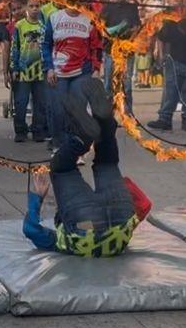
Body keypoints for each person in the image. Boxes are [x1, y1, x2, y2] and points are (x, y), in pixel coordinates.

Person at [23, 78, 150, 257]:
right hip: (83, 222)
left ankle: (105, 126)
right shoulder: (61, 243)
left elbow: (145, 205)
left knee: (106, 163)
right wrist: (37, 197)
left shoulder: (125, 227)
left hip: (119, 217)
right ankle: (81, 139)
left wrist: (121, 184)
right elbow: (31, 230)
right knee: (62, 169)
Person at [42, 0, 102, 151]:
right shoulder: (54, 18)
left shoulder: (90, 20)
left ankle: (75, 149)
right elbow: (46, 45)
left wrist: (96, 69)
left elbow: (96, 47)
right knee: (58, 111)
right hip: (58, 73)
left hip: (81, 73)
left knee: (76, 112)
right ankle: (59, 146)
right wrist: (49, 68)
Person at [148, 0, 186, 132]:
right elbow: (162, 38)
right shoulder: (172, 20)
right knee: (170, 92)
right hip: (175, 61)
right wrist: (161, 56)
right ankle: (165, 119)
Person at [8, 0, 48, 143]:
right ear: (26, 7)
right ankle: (20, 130)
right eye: (31, 6)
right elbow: (15, 48)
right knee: (20, 102)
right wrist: (14, 68)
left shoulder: (45, 26)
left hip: (41, 70)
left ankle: (38, 129)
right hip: (24, 71)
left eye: (37, 6)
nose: (34, 9)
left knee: (40, 103)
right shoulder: (19, 26)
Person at [101, 0, 140, 114]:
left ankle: (128, 113)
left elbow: (136, 26)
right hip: (110, 50)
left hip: (126, 51)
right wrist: (113, 32)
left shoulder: (132, 8)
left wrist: (131, 37)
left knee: (126, 85)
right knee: (108, 83)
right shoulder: (108, 7)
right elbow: (101, 27)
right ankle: (108, 113)